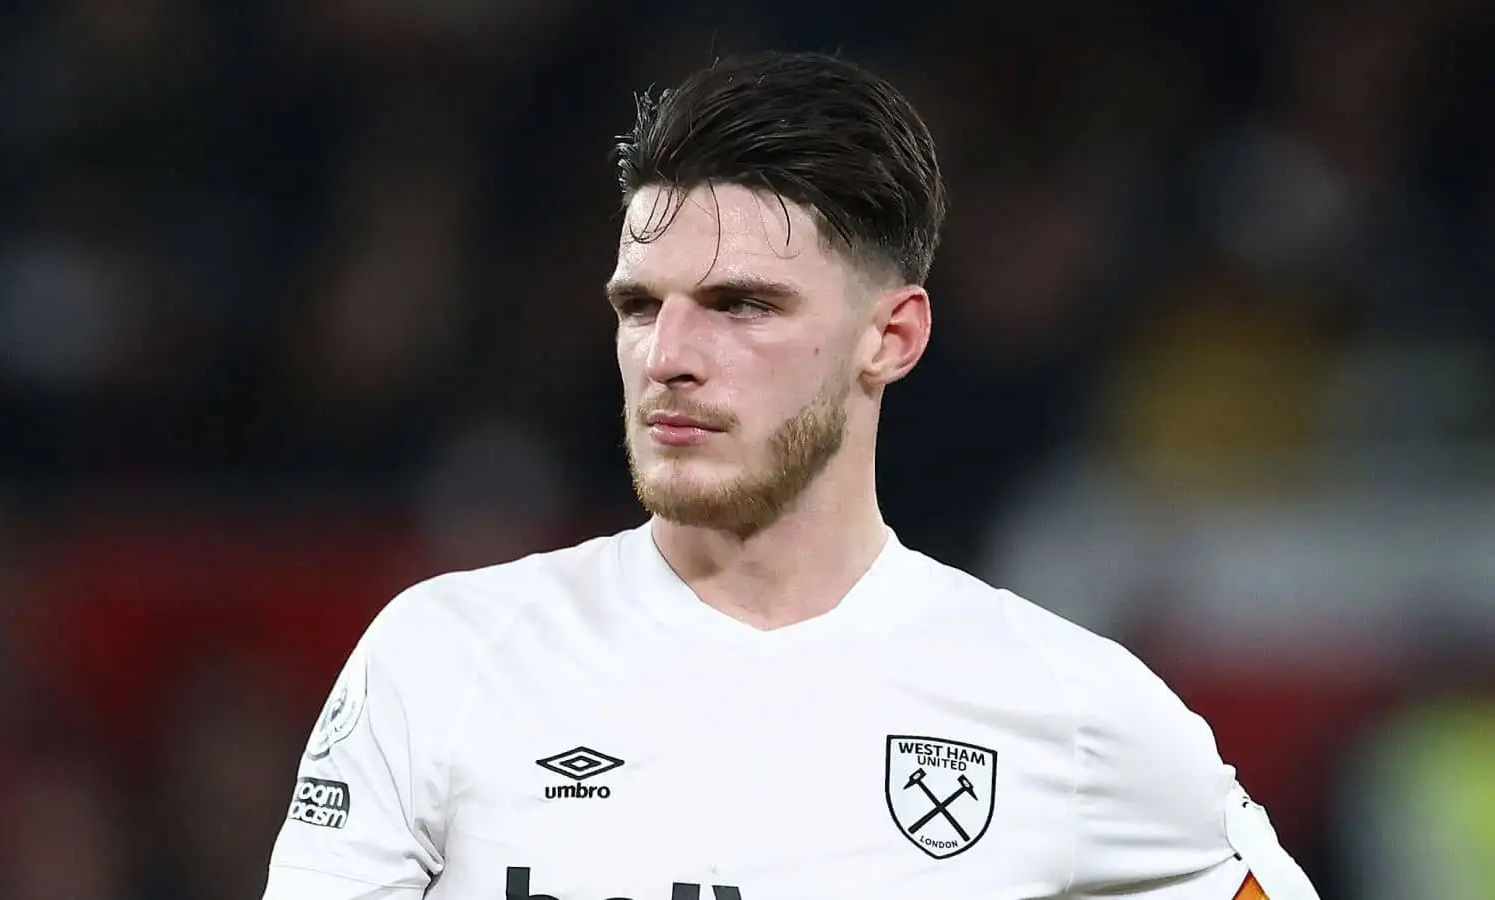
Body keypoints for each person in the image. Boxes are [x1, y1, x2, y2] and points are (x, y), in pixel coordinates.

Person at [261, 51, 1320, 900]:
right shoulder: (445, 658)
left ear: (888, 338)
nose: (668, 353)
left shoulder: (1064, 707)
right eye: (640, 305)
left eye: (741, 306)